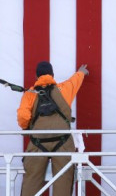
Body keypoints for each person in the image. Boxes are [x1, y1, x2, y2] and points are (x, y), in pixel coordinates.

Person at [17, 61, 88, 196]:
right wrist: (81, 72)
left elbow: (22, 116)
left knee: (32, 180)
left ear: (37, 76)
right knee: (64, 181)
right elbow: (75, 80)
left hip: (38, 143)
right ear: (53, 75)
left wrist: (26, 127)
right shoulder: (65, 89)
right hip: (63, 143)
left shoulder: (29, 94)